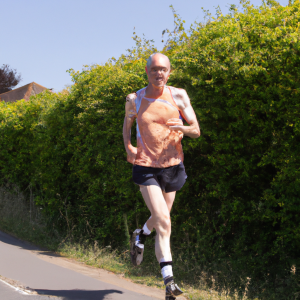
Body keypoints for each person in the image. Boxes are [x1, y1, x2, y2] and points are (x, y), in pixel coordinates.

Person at [123, 53, 200, 300]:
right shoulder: (135, 99)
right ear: (147, 71)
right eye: (154, 69)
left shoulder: (179, 95)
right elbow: (127, 124)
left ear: (169, 72)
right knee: (164, 222)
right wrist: (128, 147)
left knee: (160, 219)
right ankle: (169, 282)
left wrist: (184, 129)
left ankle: (141, 234)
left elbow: (196, 130)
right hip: (146, 166)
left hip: (173, 166)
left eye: (163, 69)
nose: (159, 73)